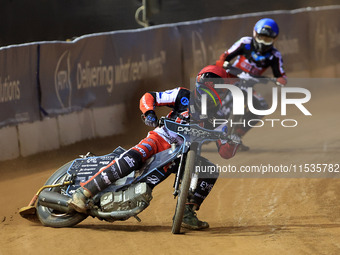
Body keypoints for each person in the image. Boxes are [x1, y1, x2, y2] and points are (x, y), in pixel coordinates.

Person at [68, 65, 239, 230]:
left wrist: (233, 141)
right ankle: (83, 193)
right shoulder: (183, 95)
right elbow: (149, 96)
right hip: (160, 139)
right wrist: (149, 112)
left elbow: (225, 152)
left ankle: (187, 213)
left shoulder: (219, 117)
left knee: (209, 171)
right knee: (133, 158)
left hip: (183, 156)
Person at [216, 18, 287, 151]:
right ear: (254, 34)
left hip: (248, 85)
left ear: (274, 39)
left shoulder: (274, 55)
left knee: (262, 106)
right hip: (230, 79)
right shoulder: (245, 43)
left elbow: (281, 75)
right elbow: (224, 57)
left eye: (267, 40)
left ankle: (236, 135)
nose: (263, 42)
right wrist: (224, 65)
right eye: (261, 37)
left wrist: (281, 80)